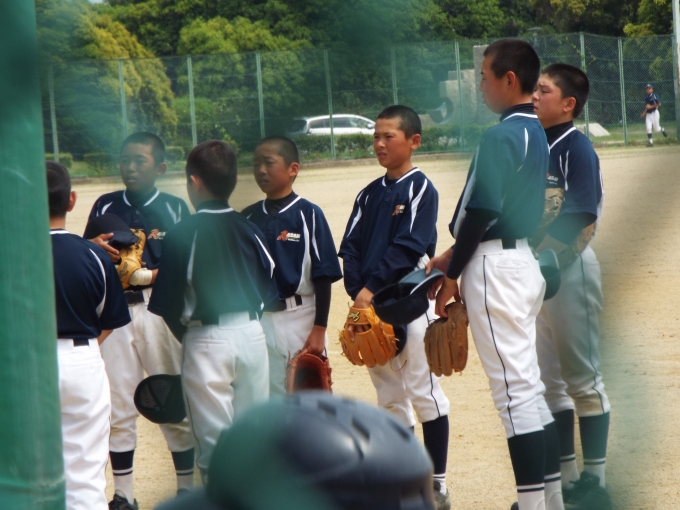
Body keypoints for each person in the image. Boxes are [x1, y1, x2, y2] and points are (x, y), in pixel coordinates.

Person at [426, 39, 562, 510]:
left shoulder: (499, 136)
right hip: (520, 262)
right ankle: (550, 501)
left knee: (513, 394)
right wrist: (454, 254)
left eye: (484, 77)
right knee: (530, 389)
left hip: (495, 270)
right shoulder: (536, 131)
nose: (480, 86)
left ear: (509, 79)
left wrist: (452, 273)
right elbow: (499, 212)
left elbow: (482, 211)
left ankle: (532, 506)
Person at [338, 105, 452, 510]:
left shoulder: (420, 188)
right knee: (388, 397)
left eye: (389, 136)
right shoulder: (368, 194)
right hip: (371, 307)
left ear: (413, 141)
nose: (380, 144)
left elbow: (409, 247)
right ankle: (404, 480)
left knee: (424, 393)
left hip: (408, 302)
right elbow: (350, 247)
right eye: (376, 136)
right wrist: (359, 292)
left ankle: (436, 484)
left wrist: (369, 290)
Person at [148, 140, 279, 479]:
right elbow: (269, 281)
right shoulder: (250, 227)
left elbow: (166, 305)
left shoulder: (182, 233)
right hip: (252, 335)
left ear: (195, 183)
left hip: (206, 338)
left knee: (215, 450)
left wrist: (190, 337)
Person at [86, 132, 195, 510]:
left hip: (159, 310)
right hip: (115, 313)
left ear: (160, 167)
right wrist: (95, 250)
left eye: (139, 160)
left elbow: (189, 264)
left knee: (171, 400)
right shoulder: (105, 204)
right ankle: (123, 495)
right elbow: (88, 259)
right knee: (118, 406)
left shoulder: (174, 208)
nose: (129, 167)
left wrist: (148, 275)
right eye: (124, 160)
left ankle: (186, 491)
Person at [532, 64, 612, 510]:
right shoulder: (530, 141)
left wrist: (542, 256)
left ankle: (595, 481)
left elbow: (581, 212)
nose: (534, 95)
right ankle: (565, 480)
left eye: (543, 90)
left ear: (568, 104)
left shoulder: (575, 146)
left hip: (568, 267)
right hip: (532, 273)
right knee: (549, 383)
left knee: (583, 379)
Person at [47, 161, 131, 509]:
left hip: (25, 365)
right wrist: (82, 350)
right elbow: (110, 318)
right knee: (85, 478)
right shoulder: (94, 254)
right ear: (71, 200)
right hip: (82, 361)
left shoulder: (12, 253)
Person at [242, 136, 343, 395]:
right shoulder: (248, 217)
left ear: (293, 169)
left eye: (268, 163)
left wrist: (319, 327)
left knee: (308, 397)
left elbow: (323, 275)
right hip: (260, 319)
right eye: (256, 164)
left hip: (301, 317)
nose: (261, 170)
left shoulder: (308, 214)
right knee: (269, 399)